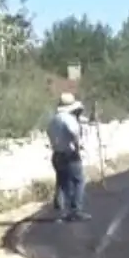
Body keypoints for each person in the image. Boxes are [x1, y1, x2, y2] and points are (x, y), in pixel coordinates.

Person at [46, 92, 90, 221]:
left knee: (62, 182)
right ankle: (76, 210)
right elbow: (73, 132)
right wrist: (76, 144)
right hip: (69, 154)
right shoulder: (68, 119)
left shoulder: (54, 119)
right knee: (79, 181)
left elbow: (49, 132)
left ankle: (60, 210)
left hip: (56, 154)